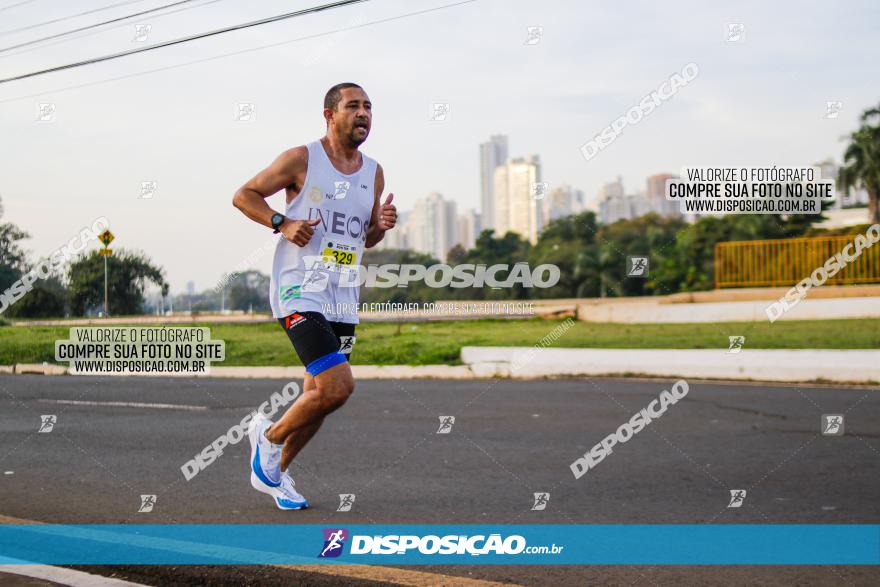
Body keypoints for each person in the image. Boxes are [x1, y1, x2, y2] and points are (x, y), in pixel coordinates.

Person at [232, 82, 397, 509]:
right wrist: (281, 221)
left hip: (342, 294)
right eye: (353, 106)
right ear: (329, 114)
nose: (363, 114)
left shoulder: (373, 172)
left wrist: (382, 223)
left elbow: (368, 238)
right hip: (299, 289)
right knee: (337, 387)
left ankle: (277, 473)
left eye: (368, 108)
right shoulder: (302, 158)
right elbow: (243, 194)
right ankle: (265, 439)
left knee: (318, 397)